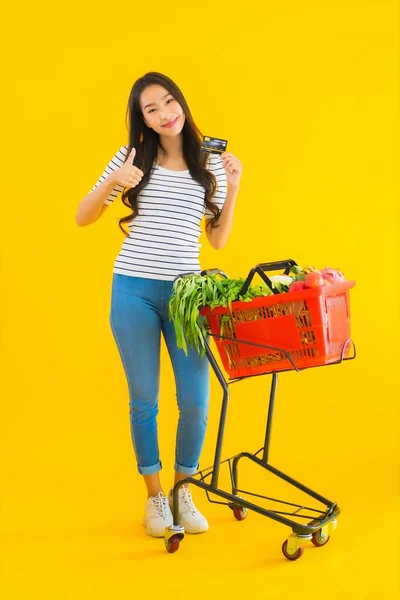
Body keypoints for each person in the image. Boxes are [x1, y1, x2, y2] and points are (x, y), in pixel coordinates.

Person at [76, 72, 242, 537]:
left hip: (187, 296)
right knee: (144, 398)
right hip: (133, 289)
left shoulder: (208, 164)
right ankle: (154, 499)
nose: (164, 112)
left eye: (169, 102)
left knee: (196, 400)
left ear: (181, 103)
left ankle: (182, 490)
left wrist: (235, 185)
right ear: (142, 121)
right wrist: (114, 181)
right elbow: (83, 217)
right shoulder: (132, 158)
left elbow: (218, 240)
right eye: (151, 109)